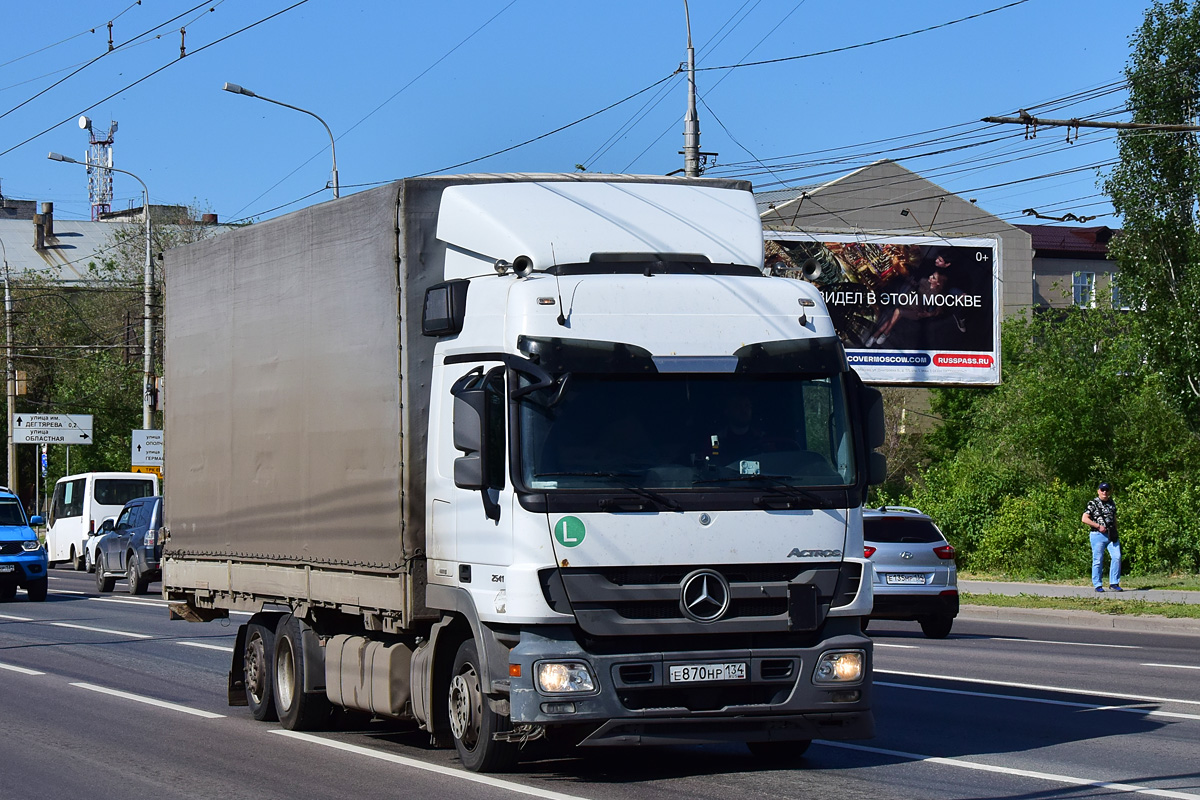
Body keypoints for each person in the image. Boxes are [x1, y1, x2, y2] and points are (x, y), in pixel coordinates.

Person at [1082, 482, 1121, 592]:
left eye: (1107, 490)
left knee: (1117, 557)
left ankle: (1114, 583)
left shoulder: (1111, 503)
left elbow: (1114, 518)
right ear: (1098, 491)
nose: (1104, 492)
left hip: (1111, 534)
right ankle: (1098, 584)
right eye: (1102, 490)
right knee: (1098, 560)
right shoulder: (1093, 503)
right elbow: (1084, 518)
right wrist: (1098, 526)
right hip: (1097, 535)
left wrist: (1115, 530)